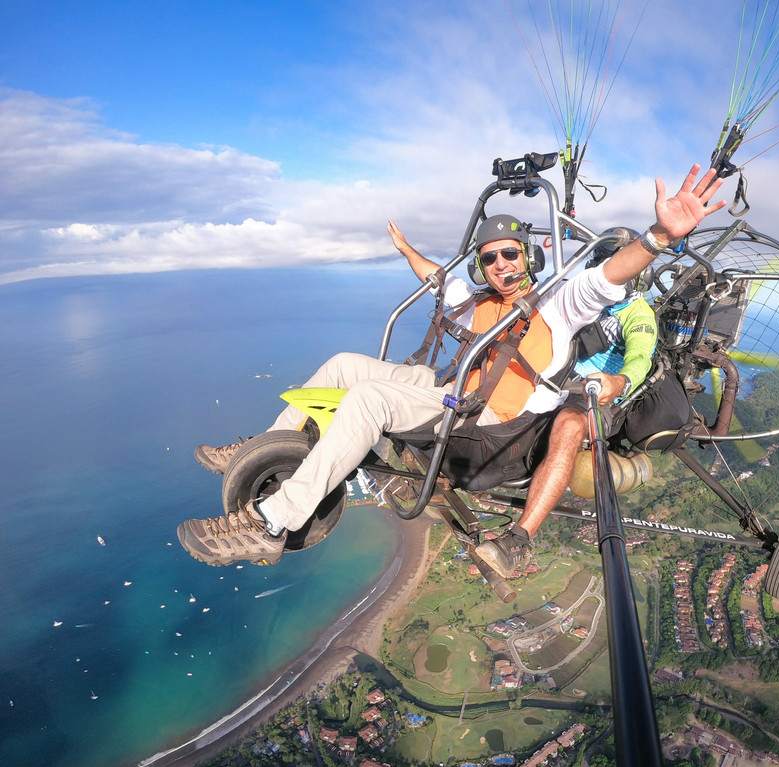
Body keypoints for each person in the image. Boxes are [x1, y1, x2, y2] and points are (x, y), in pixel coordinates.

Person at [176, 164, 726, 572]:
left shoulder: (558, 305)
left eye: (510, 253)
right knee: (344, 365)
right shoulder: (479, 299)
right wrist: (404, 248)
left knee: (370, 402)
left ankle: (273, 522)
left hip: (488, 429)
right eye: (490, 258)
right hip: (455, 390)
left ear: (528, 257)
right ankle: (263, 448)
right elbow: (438, 278)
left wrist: (659, 238)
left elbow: (606, 279)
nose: (501, 264)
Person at [388, 224, 659, 577]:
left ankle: (519, 539)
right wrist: (407, 250)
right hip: (554, 385)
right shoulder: (572, 297)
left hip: (598, 393)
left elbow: (639, 357)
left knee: (569, 423)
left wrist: (620, 380)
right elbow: (447, 284)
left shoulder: (637, 315)